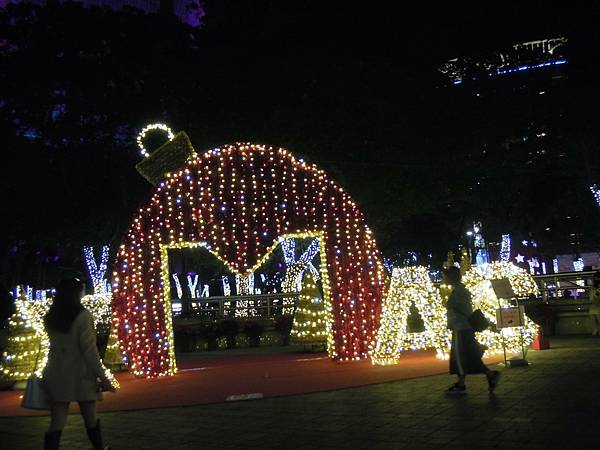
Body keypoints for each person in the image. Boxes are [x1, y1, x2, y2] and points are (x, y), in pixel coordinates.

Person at [41, 278, 117, 449]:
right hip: (80, 373)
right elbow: (90, 351)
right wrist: (103, 377)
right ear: (76, 293)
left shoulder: (51, 316)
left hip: (56, 371)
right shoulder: (83, 316)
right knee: (90, 417)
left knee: (57, 421)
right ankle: (99, 448)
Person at [443, 266, 500, 395]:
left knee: (464, 357)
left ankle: (489, 374)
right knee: (464, 356)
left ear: (451, 277)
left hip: (461, 328)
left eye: (445, 276)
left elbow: (458, 310)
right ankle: (463, 382)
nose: (444, 279)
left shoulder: (458, 293)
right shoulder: (460, 290)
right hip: (462, 328)